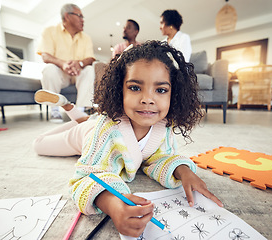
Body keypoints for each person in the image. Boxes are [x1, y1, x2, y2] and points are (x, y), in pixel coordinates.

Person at [33, 41, 222, 238]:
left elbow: (159, 157)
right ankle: (67, 106)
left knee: (88, 120)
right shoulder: (105, 132)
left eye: (161, 90)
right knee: (39, 144)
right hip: (88, 133)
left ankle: (75, 111)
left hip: (97, 122)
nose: (148, 99)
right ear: (119, 89)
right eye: (134, 87)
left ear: (173, 93)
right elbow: (85, 177)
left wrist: (183, 171)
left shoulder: (164, 125)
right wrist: (113, 205)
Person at [37, 3, 96, 122]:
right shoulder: (50, 31)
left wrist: (79, 64)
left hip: (78, 73)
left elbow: (90, 58)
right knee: (49, 69)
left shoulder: (86, 37)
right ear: (67, 16)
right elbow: (45, 56)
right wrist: (63, 64)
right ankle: (54, 110)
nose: (82, 20)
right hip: (60, 74)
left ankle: (80, 111)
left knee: (89, 70)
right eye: (80, 16)